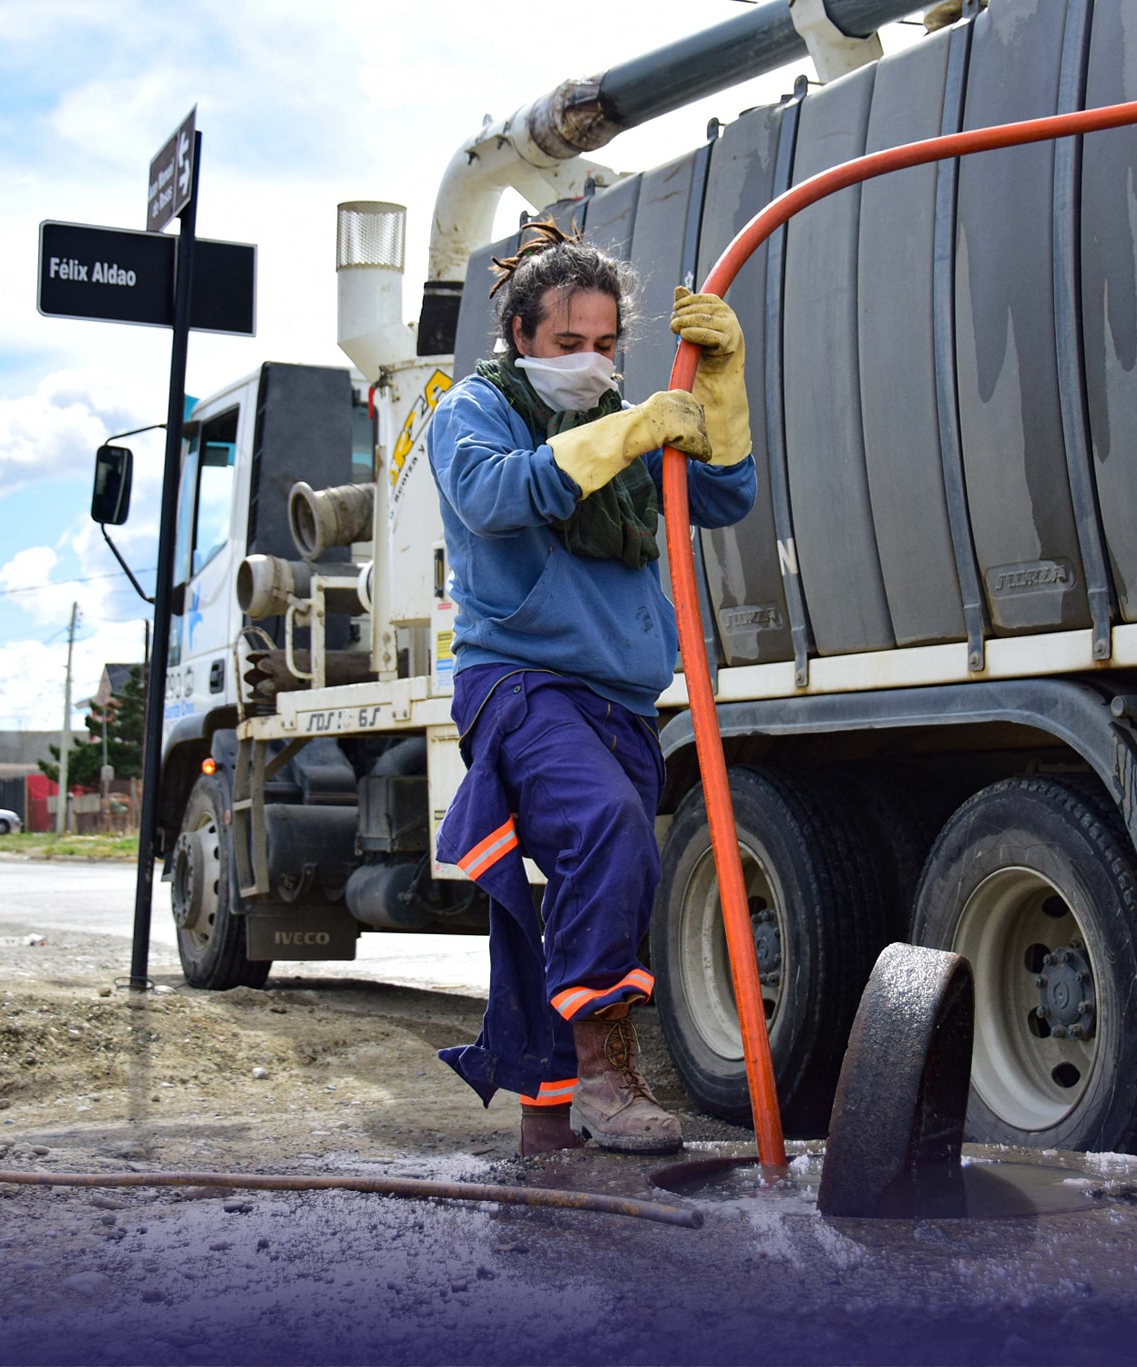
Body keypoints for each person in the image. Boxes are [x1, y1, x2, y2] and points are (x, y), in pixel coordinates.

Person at [425, 221, 756, 1156]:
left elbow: (724, 497)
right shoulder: (473, 410)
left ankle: (549, 1112)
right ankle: (608, 1077)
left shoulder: (621, 422)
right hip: (521, 681)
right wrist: (631, 428)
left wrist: (720, 386)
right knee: (610, 830)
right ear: (521, 337)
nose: (592, 360)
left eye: (607, 343)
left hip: (617, 696)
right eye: (569, 343)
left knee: (603, 866)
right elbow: (493, 496)